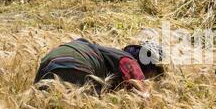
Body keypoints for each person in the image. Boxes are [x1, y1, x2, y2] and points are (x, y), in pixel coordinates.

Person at [34, 38, 164, 95]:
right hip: (77, 62)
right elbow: (143, 96)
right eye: (154, 75)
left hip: (50, 59)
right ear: (149, 66)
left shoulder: (111, 54)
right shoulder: (129, 61)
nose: (152, 79)